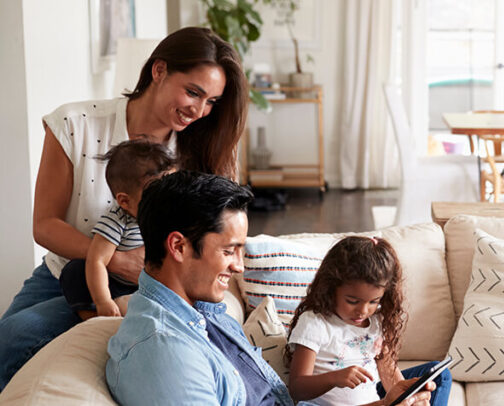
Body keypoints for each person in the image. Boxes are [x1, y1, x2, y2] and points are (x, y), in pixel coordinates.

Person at [0, 26, 247, 390]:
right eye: (193, 92)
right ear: (158, 70)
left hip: (148, 287)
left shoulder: (198, 151)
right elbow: (46, 225)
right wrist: (112, 258)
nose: (199, 110)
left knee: (17, 337)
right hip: (64, 272)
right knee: (8, 339)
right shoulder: (75, 124)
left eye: (211, 101)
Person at [106, 171, 435, 406]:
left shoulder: (203, 311)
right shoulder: (165, 352)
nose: (239, 266)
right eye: (228, 250)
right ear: (178, 246)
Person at [286, 236, 452, 406]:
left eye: (373, 301)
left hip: (375, 402)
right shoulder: (315, 322)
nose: (363, 311)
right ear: (330, 288)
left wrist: (407, 397)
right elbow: (297, 387)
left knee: (439, 375)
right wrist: (334, 378)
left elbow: (389, 374)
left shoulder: (375, 322)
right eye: (352, 301)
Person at [58, 140, 176, 320]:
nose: (167, 201)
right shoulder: (117, 221)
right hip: (117, 286)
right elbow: (97, 260)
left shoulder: (172, 217)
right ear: (125, 201)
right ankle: (94, 317)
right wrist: (103, 300)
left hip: (154, 286)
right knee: (76, 270)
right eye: (156, 194)